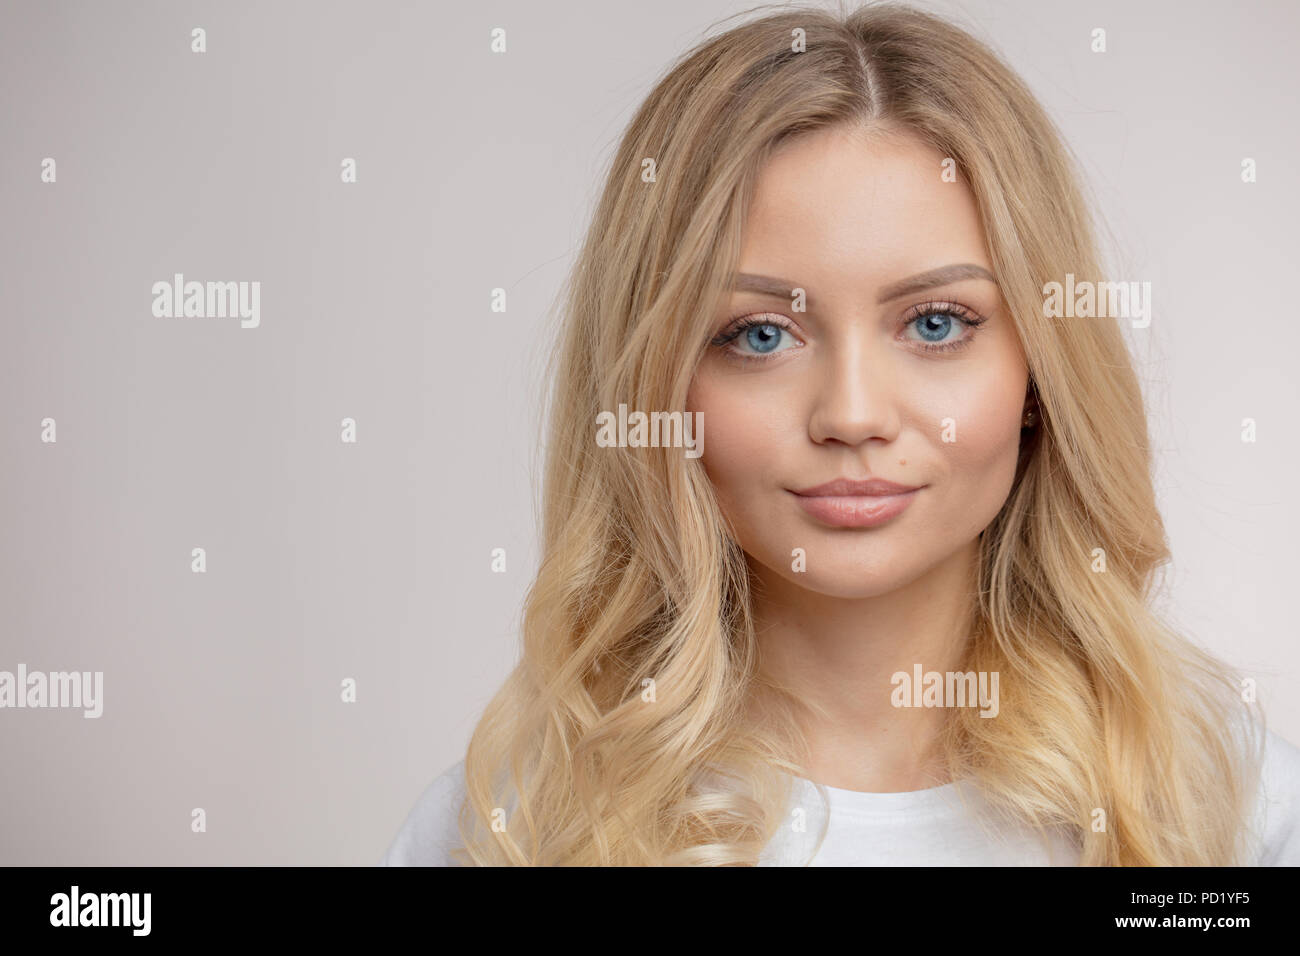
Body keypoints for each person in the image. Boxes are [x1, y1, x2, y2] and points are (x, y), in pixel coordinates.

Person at [383, 1, 1300, 866]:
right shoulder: (511, 829)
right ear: (656, 384)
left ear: (1040, 372)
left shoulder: (1225, 808)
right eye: (760, 335)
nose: (853, 415)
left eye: (936, 322)